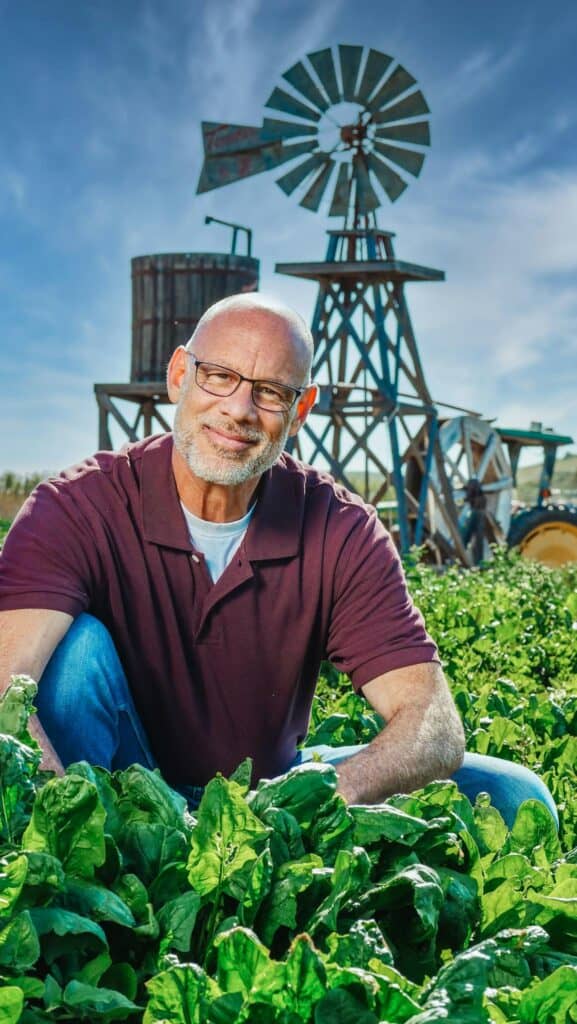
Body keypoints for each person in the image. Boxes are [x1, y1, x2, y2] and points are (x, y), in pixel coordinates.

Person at [0, 294, 557, 825]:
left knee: (515, 796)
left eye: (270, 391)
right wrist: (65, 825)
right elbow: (5, 684)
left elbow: (432, 723)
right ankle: (105, 870)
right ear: (178, 375)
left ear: (300, 411)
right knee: (75, 653)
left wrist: (314, 804)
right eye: (218, 376)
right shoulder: (75, 507)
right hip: (119, 787)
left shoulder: (339, 528)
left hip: (268, 796)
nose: (239, 409)